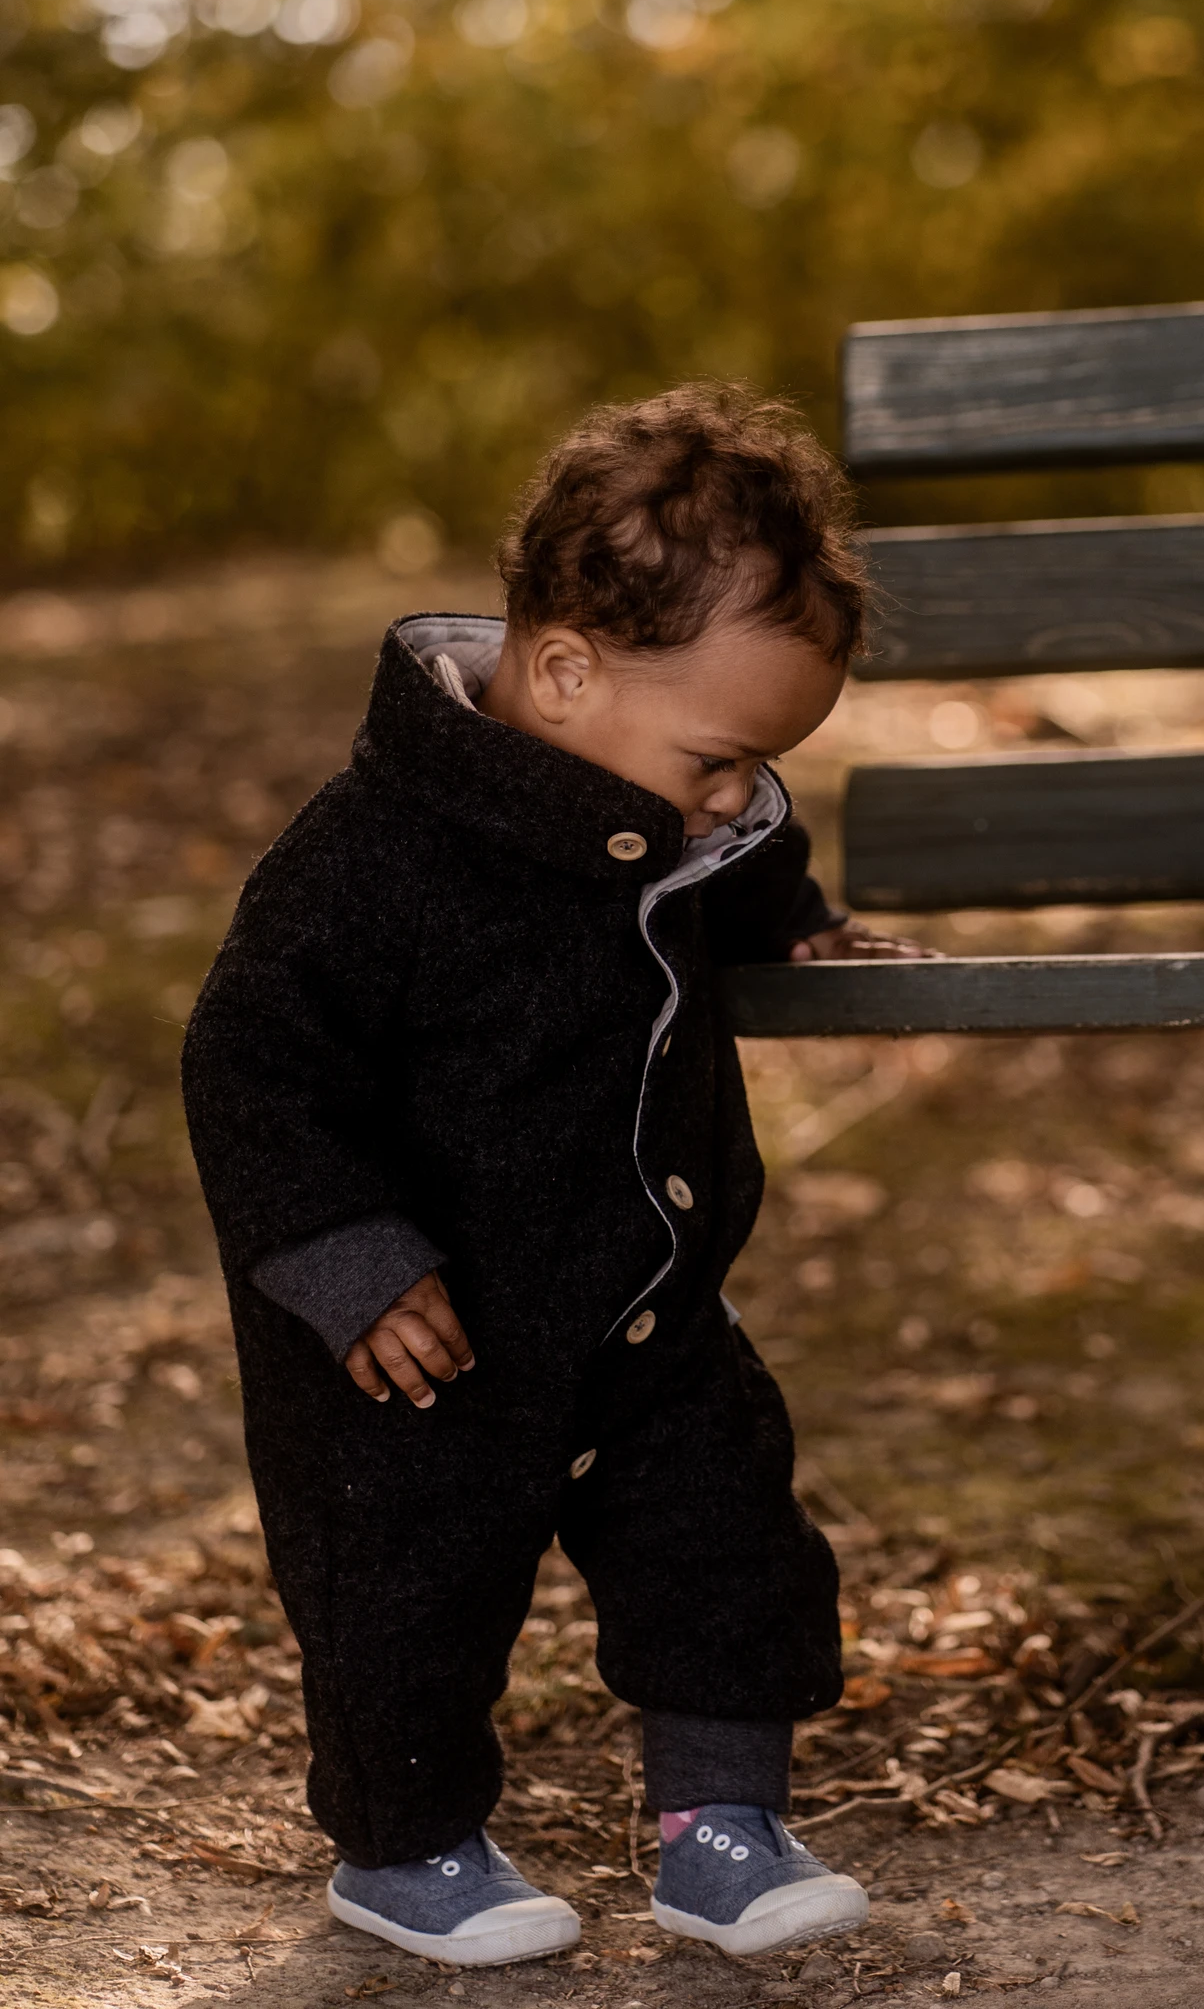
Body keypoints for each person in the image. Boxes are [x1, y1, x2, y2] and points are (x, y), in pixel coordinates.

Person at [181, 385, 927, 1969]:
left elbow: (721, 864)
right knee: (404, 1597)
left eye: (758, 769)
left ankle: (718, 1829)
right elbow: (252, 1063)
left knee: (726, 1538)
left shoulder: (653, 803)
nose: (732, 800)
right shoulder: (368, 859)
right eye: (720, 759)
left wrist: (788, 916)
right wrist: (348, 1259)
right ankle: (408, 1846)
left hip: (641, 1311)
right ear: (568, 670)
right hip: (418, 1338)